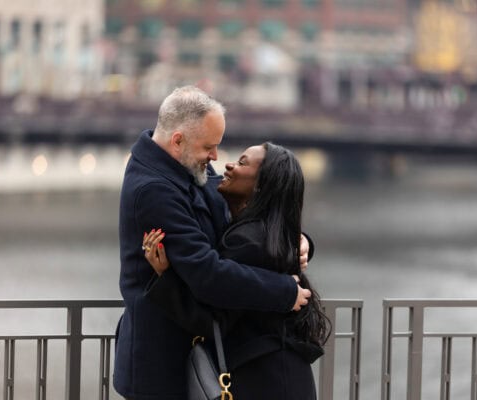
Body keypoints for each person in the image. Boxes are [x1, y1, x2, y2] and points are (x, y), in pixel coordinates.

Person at [113, 85, 312, 400]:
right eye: (210, 147)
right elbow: (207, 273)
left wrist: (297, 241)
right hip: (163, 360)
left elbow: (252, 214)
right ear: (178, 140)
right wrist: (283, 291)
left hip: (199, 346)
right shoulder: (152, 189)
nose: (217, 157)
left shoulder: (188, 165)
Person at [143, 142, 331, 400]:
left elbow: (213, 321)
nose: (228, 165)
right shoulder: (271, 235)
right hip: (284, 375)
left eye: (242, 163)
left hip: (265, 380)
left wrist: (165, 278)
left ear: (260, 186)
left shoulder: (246, 241)